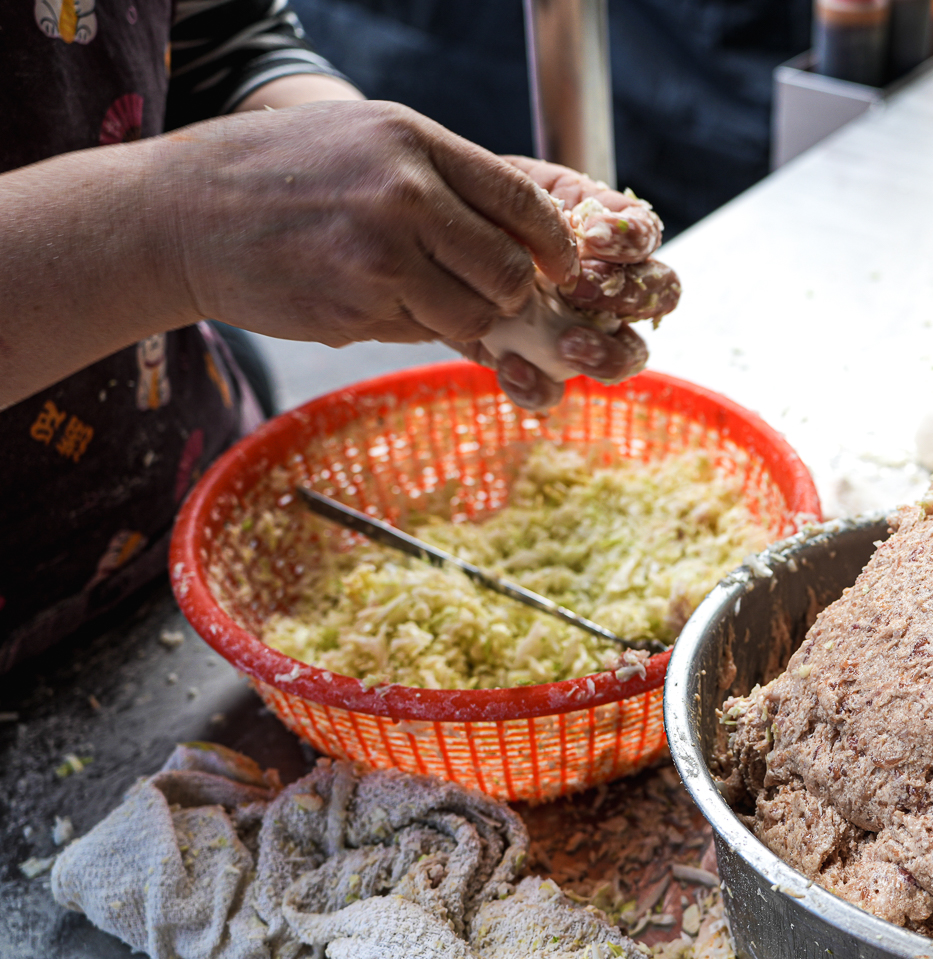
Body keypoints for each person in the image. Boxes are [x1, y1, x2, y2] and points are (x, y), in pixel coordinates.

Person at [0, 0, 678, 674]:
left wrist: (399, 205)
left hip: (191, 510)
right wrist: (177, 230)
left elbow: (219, 39)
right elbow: (182, 219)